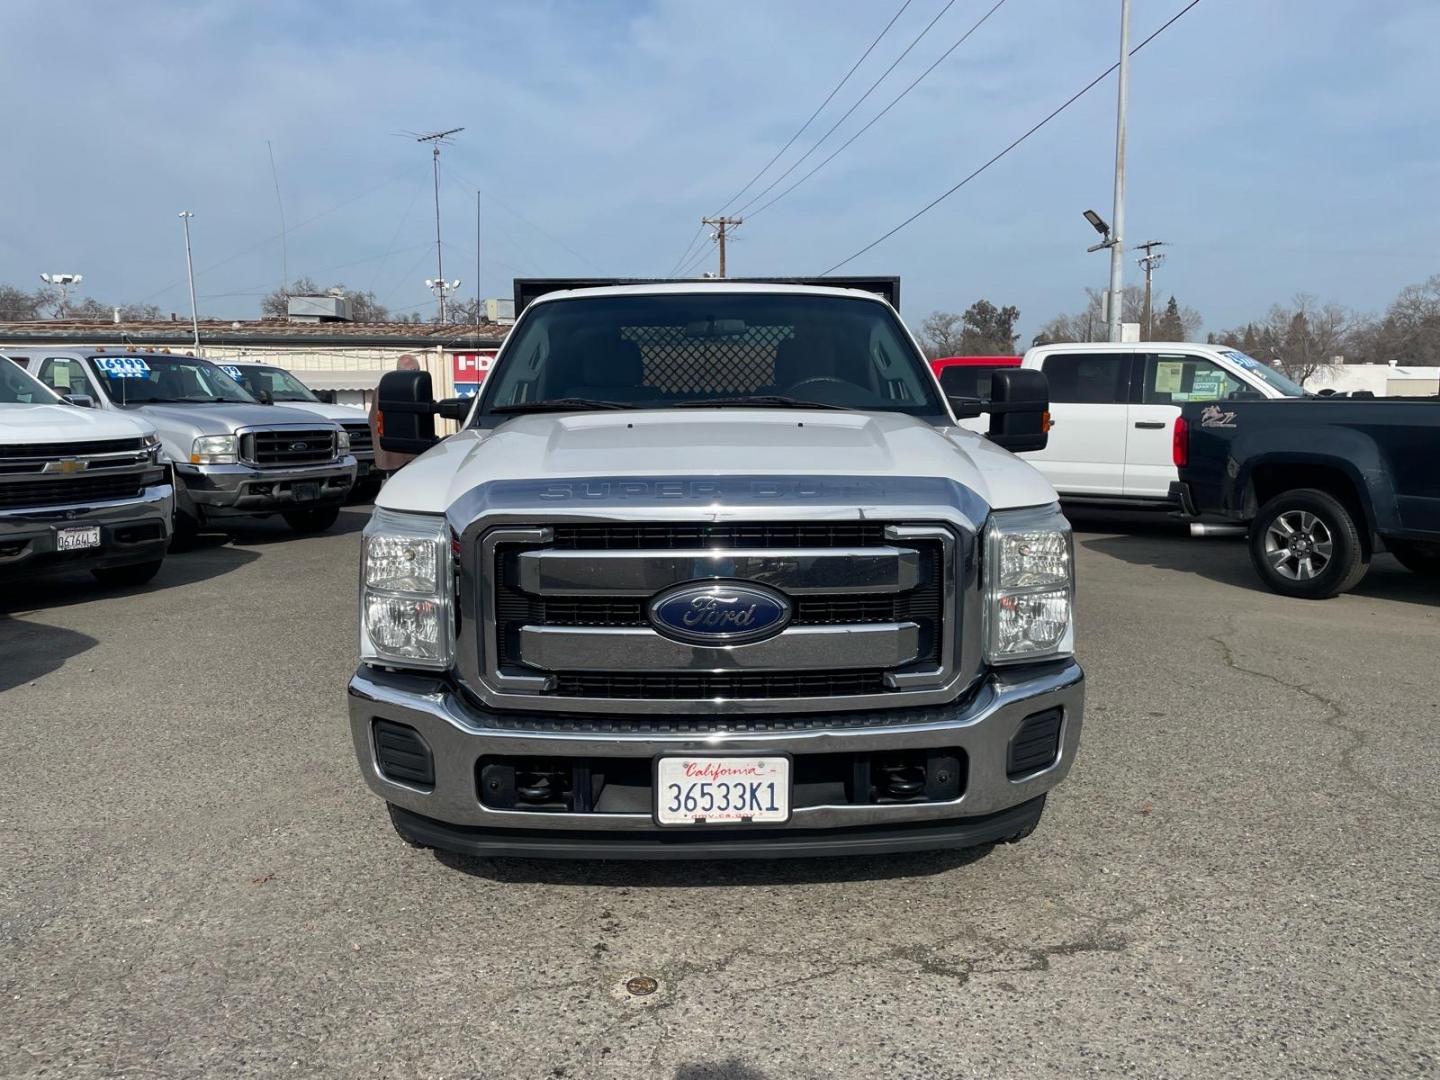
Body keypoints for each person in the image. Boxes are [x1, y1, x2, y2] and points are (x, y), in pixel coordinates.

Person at [369, 354, 421, 475]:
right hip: (407, 456)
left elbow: (372, 420)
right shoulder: (408, 388)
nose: (419, 374)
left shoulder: (380, 388)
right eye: (417, 370)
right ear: (412, 370)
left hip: (387, 456)